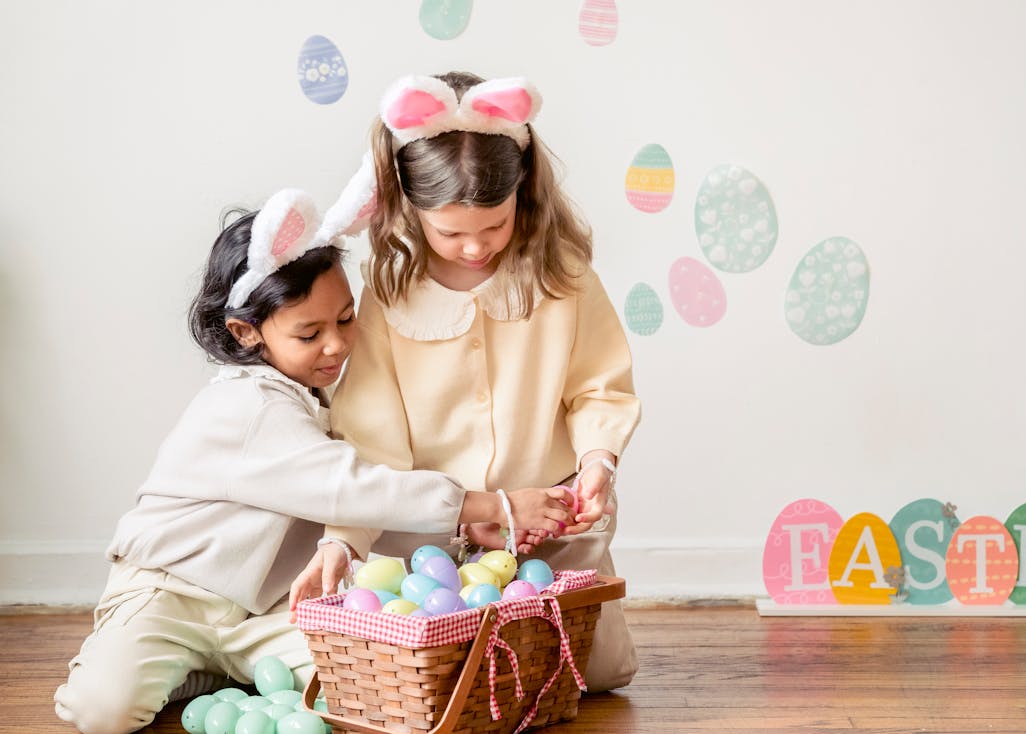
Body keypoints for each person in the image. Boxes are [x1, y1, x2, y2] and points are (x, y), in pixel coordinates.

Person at [53, 188, 573, 734]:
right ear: (245, 332)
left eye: (346, 320)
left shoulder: (316, 400)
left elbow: (359, 513)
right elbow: (351, 487)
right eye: (309, 333)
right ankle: (166, 659)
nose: (337, 346)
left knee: (367, 682)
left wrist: (460, 544)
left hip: (263, 612)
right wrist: (492, 503)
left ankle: (219, 669)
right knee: (102, 713)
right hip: (175, 595)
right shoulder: (246, 405)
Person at [290, 71, 642, 691]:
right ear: (409, 207)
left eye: (495, 227)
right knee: (452, 683)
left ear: (522, 197)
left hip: (550, 530)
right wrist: (342, 542)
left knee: (600, 675)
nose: (475, 248)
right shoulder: (391, 293)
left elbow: (599, 386)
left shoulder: (562, 276)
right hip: (436, 549)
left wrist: (597, 462)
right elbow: (370, 440)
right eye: (450, 232)